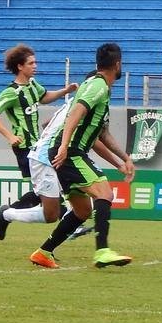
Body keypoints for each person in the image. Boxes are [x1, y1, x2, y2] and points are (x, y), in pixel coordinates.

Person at [29, 42, 135, 269]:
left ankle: (44, 252)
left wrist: (123, 159)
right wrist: (65, 145)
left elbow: (102, 135)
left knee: (83, 211)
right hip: (70, 152)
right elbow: (76, 112)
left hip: (69, 151)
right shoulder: (98, 86)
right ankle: (102, 251)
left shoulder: (98, 88)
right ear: (117, 64)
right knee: (104, 193)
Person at [0, 44, 81, 239]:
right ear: (20, 66)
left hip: (38, 145)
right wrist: (10, 136)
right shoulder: (11, 92)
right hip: (24, 148)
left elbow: (44, 97)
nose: (35, 66)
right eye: (31, 63)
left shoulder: (32, 85)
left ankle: (8, 214)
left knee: (47, 187)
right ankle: (8, 214)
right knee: (45, 188)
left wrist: (66, 90)